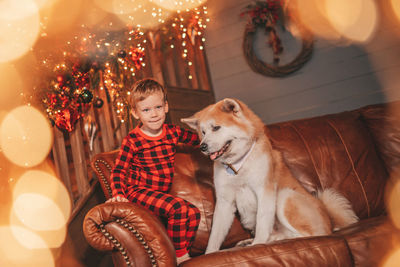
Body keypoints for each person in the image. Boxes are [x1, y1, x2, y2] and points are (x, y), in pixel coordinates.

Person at [107, 78, 200, 264]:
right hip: (137, 192)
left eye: (158, 107)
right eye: (146, 110)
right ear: (135, 113)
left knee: (193, 213)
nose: (154, 114)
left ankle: (179, 251)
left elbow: (198, 140)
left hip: (159, 193)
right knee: (179, 209)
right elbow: (118, 171)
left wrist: (215, 144)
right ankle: (177, 257)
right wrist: (118, 194)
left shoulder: (173, 132)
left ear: (166, 106)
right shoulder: (133, 140)